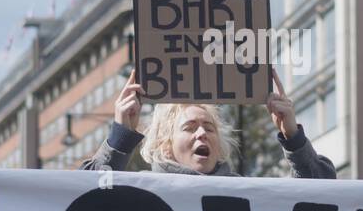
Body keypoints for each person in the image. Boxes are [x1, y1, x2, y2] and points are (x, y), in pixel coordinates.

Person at [82, 70, 335, 178]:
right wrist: (119, 138)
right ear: (164, 144)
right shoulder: (142, 190)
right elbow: (81, 202)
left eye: (209, 128)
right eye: (190, 127)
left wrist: (293, 137)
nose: (202, 133)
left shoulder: (246, 194)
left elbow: (320, 201)